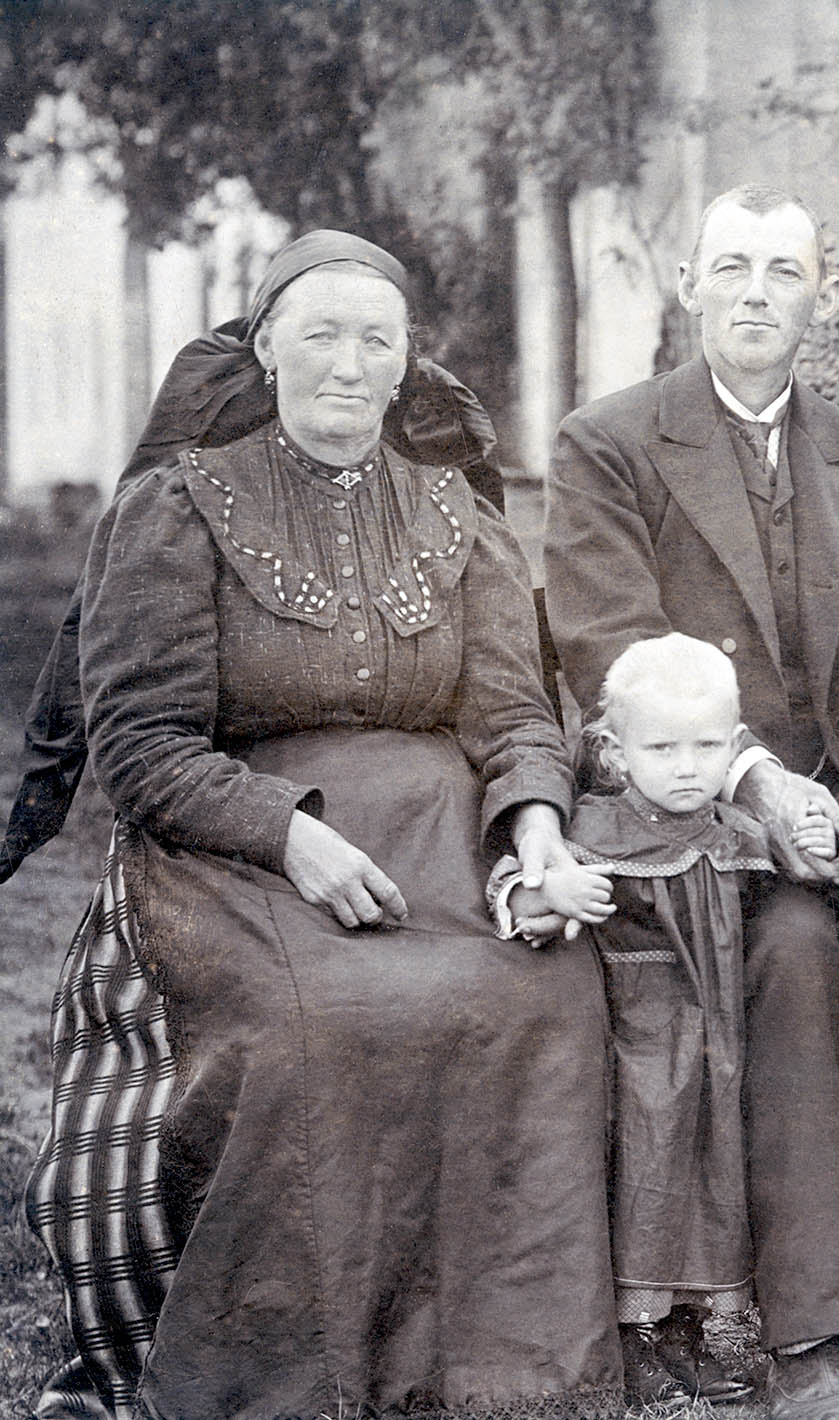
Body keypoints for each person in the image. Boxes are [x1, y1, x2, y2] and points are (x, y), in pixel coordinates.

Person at [26, 230, 620, 1419]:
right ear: (264, 349)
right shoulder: (174, 507)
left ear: (406, 366)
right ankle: (294, 1375)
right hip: (229, 845)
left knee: (539, 999)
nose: (348, 365)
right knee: (327, 1022)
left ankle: (497, 1371)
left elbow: (513, 708)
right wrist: (289, 833)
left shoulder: (455, 509)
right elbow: (141, 745)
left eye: (376, 340)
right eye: (320, 335)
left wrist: (540, 827)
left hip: (440, 840)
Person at [544, 183, 839, 1419]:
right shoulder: (608, 442)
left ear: (818, 296)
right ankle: (817, 1335)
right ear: (688, 285)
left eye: (784, 271)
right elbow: (607, 647)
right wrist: (753, 782)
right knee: (789, 952)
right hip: (675, 817)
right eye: (730, 267)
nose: (755, 294)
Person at [493, 633, 804, 1409]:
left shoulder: (734, 834)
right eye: (662, 747)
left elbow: (779, 893)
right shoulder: (597, 830)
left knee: (705, 1178)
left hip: (713, 1043)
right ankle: (629, 1341)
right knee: (642, 1179)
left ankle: (686, 1333)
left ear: (733, 745)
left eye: (706, 746)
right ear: (617, 750)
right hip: (635, 1043)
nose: (687, 766)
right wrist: (551, 896)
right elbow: (516, 887)